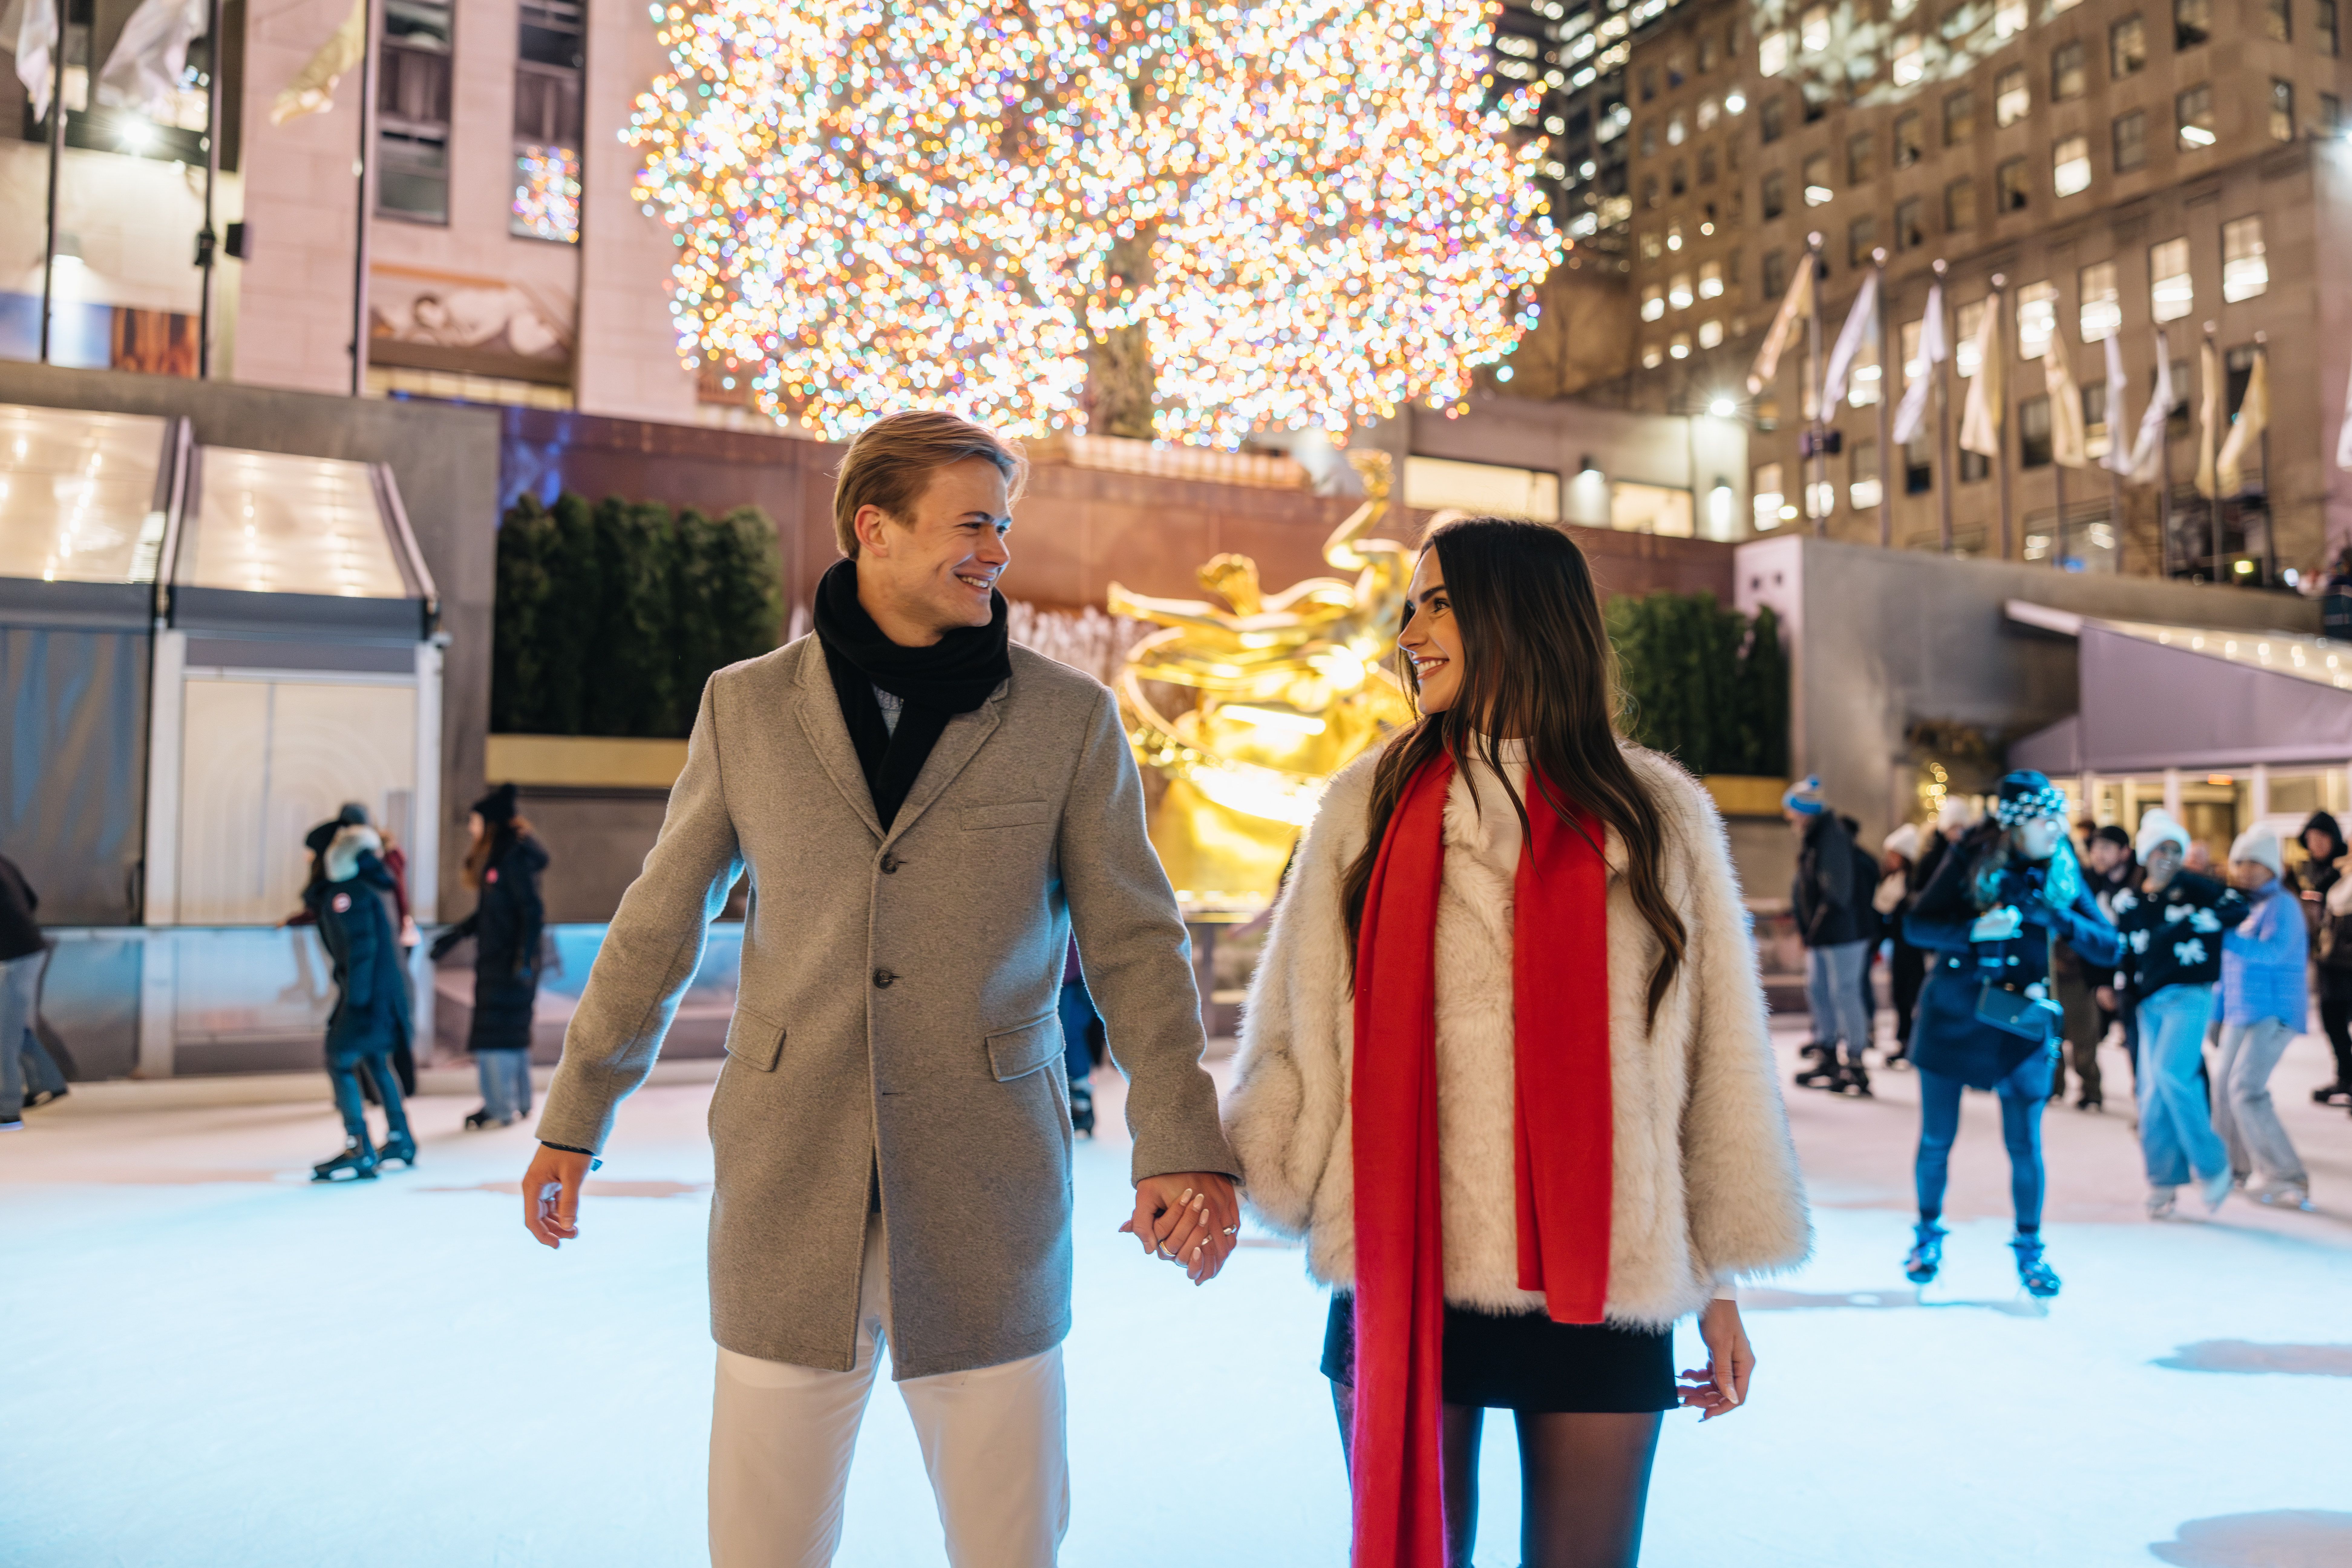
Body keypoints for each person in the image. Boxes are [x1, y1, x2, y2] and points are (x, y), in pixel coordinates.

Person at [521, 410, 1238, 1568]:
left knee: (1008, 1547)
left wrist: (1178, 1140)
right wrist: (576, 1113)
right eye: (971, 525)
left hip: (986, 1201)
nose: (996, 552)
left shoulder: (1067, 718)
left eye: (1002, 527)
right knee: (761, 1548)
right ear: (875, 529)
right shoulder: (746, 707)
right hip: (784, 1190)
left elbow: (1135, 946)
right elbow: (660, 921)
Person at [1224, 517, 1810, 1568]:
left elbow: (1714, 1066)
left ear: (1519, 616)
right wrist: (1219, 1169)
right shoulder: (1366, 802)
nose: (1409, 632)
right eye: (1410, 607)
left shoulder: (1656, 812)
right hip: (1404, 1268)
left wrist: (1717, 1280)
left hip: (1607, 1277)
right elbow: (1294, 1033)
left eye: (1437, 604)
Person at [1899, 772, 2119, 1298]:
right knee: (1936, 1138)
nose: (2057, 829)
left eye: (2058, 818)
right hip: (1953, 1013)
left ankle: (2030, 1247)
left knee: (2024, 1143)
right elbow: (1915, 925)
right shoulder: (1970, 856)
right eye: (2046, 820)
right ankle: (1927, 1236)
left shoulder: (2061, 864)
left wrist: (2058, 917)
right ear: (2017, 825)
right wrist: (1973, 931)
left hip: (2019, 1023)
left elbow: (2109, 945)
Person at [2112, 808, 2249, 1219]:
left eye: (2175, 850)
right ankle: (2162, 1178)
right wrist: (2121, 992)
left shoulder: (2194, 887)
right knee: (2150, 1089)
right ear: (2145, 853)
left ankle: (2213, 1165)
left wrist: (2201, 919)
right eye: (2160, 849)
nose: (2168, 857)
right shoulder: (2130, 900)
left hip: (2189, 994)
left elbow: (2237, 906)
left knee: (2173, 1073)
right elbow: (2125, 952)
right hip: (2146, 1001)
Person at [430, 784, 551, 1130]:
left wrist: (523, 958)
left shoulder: (513, 859)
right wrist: (459, 933)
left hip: (508, 963)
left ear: (491, 822)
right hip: (502, 961)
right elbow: (493, 911)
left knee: (496, 1035)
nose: (471, 828)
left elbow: (531, 911)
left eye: (475, 821)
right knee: (509, 1032)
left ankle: (501, 1107)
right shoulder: (502, 858)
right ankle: (517, 1102)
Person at [304, 818, 419, 1180]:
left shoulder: (348, 892)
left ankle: (359, 1146)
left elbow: (362, 949)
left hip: (369, 999)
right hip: (386, 996)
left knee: (339, 1059)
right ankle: (400, 1137)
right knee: (377, 1060)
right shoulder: (374, 884)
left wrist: (357, 1004)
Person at [2217, 826, 2315, 1210]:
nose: (2245, 869)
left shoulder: (2283, 905)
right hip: (2240, 1011)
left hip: (2274, 1012)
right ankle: (2231, 1167)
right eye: (2239, 861)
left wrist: (2225, 936)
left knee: (2246, 1089)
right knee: (2223, 1087)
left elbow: (2272, 953)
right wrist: (2218, 1011)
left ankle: (2286, 1176)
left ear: (2272, 867)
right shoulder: (2245, 906)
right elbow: (2229, 967)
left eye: (2254, 862)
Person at [1787, 777, 1876, 1096]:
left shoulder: (1831, 836)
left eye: (1792, 811)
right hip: (1825, 933)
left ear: (1805, 810)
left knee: (1844, 993)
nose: (1789, 818)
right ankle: (1827, 1053)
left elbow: (1836, 893)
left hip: (1843, 933)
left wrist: (1813, 928)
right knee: (1820, 990)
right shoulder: (1816, 836)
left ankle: (1855, 1061)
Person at [1, 851, 59, 1131]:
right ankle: (49, 1082)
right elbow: (32, 900)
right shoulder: (4, 862)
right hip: (29, 950)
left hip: (14, 957)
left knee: (5, 1031)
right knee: (11, 1022)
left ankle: (7, 1111)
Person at [2298, 811, 2352, 1107]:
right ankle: (2345, 1076)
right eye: (2310, 839)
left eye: (2321, 837)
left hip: (2345, 960)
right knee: (2331, 1020)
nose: (2315, 844)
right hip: (2326, 959)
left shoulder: (2342, 873)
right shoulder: (2309, 872)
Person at [2085, 824, 2144, 1093]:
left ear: (2125, 852)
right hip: (2114, 978)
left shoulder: (2142, 883)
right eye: (2095, 848)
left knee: (2148, 1047)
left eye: (2106, 848)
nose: (2098, 855)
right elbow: (2093, 940)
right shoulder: (2093, 883)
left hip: (2144, 980)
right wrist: (2101, 982)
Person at [1878, 823, 1925, 1066]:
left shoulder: (1913, 883)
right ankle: (1905, 1040)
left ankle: (1912, 1042)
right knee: (1900, 994)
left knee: (1910, 994)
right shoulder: (1894, 880)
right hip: (1900, 944)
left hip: (1912, 948)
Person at [1055, 938, 1100, 1137]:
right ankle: (1080, 1107)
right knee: (1070, 1041)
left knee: (1070, 1041)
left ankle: (1081, 1106)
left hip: (1071, 979)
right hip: (1069, 976)